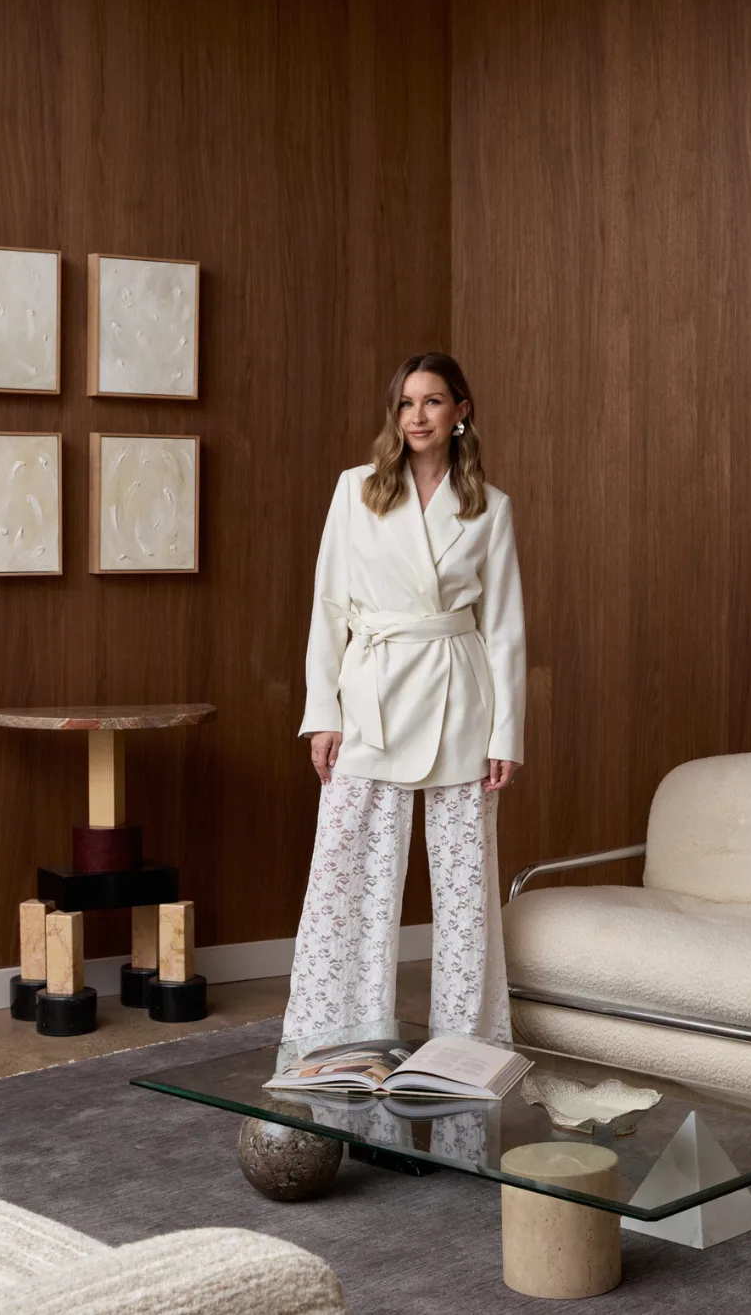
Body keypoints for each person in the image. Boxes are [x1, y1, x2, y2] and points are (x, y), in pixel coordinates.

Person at [282, 353, 526, 1047]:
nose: (417, 416)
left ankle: (465, 1053)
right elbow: (329, 608)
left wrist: (506, 733)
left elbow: (504, 628)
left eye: (433, 402)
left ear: (461, 412)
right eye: (406, 404)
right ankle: (333, 1044)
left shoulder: (489, 507)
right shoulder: (356, 491)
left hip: (460, 699)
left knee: (465, 895)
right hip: (372, 697)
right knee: (346, 881)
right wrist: (321, 714)